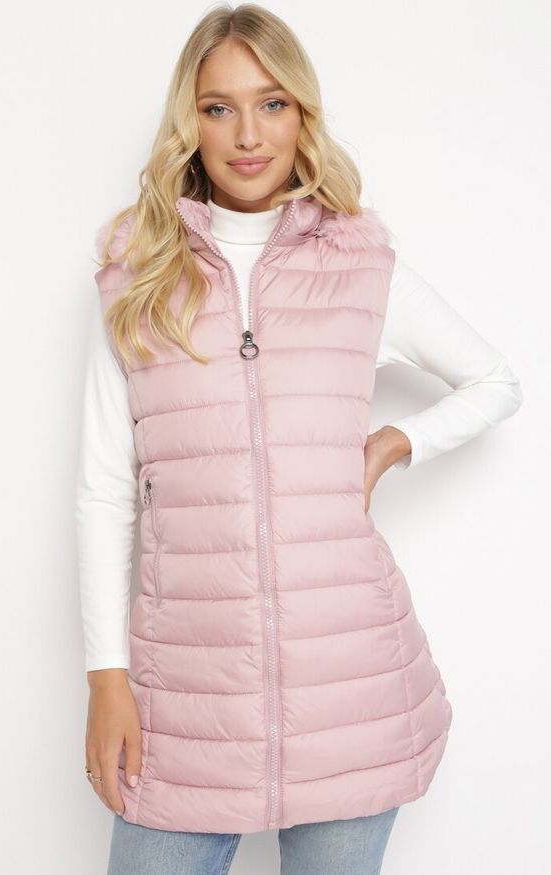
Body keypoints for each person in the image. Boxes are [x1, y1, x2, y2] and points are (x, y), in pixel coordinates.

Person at [75, 5, 523, 873]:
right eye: (219, 108)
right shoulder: (138, 278)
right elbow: (103, 490)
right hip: (185, 697)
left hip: (350, 693)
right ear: (189, 123)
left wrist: (391, 443)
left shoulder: (362, 266)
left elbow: (495, 381)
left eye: (272, 104)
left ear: (302, 115)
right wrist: (106, 676)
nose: (248, 135)